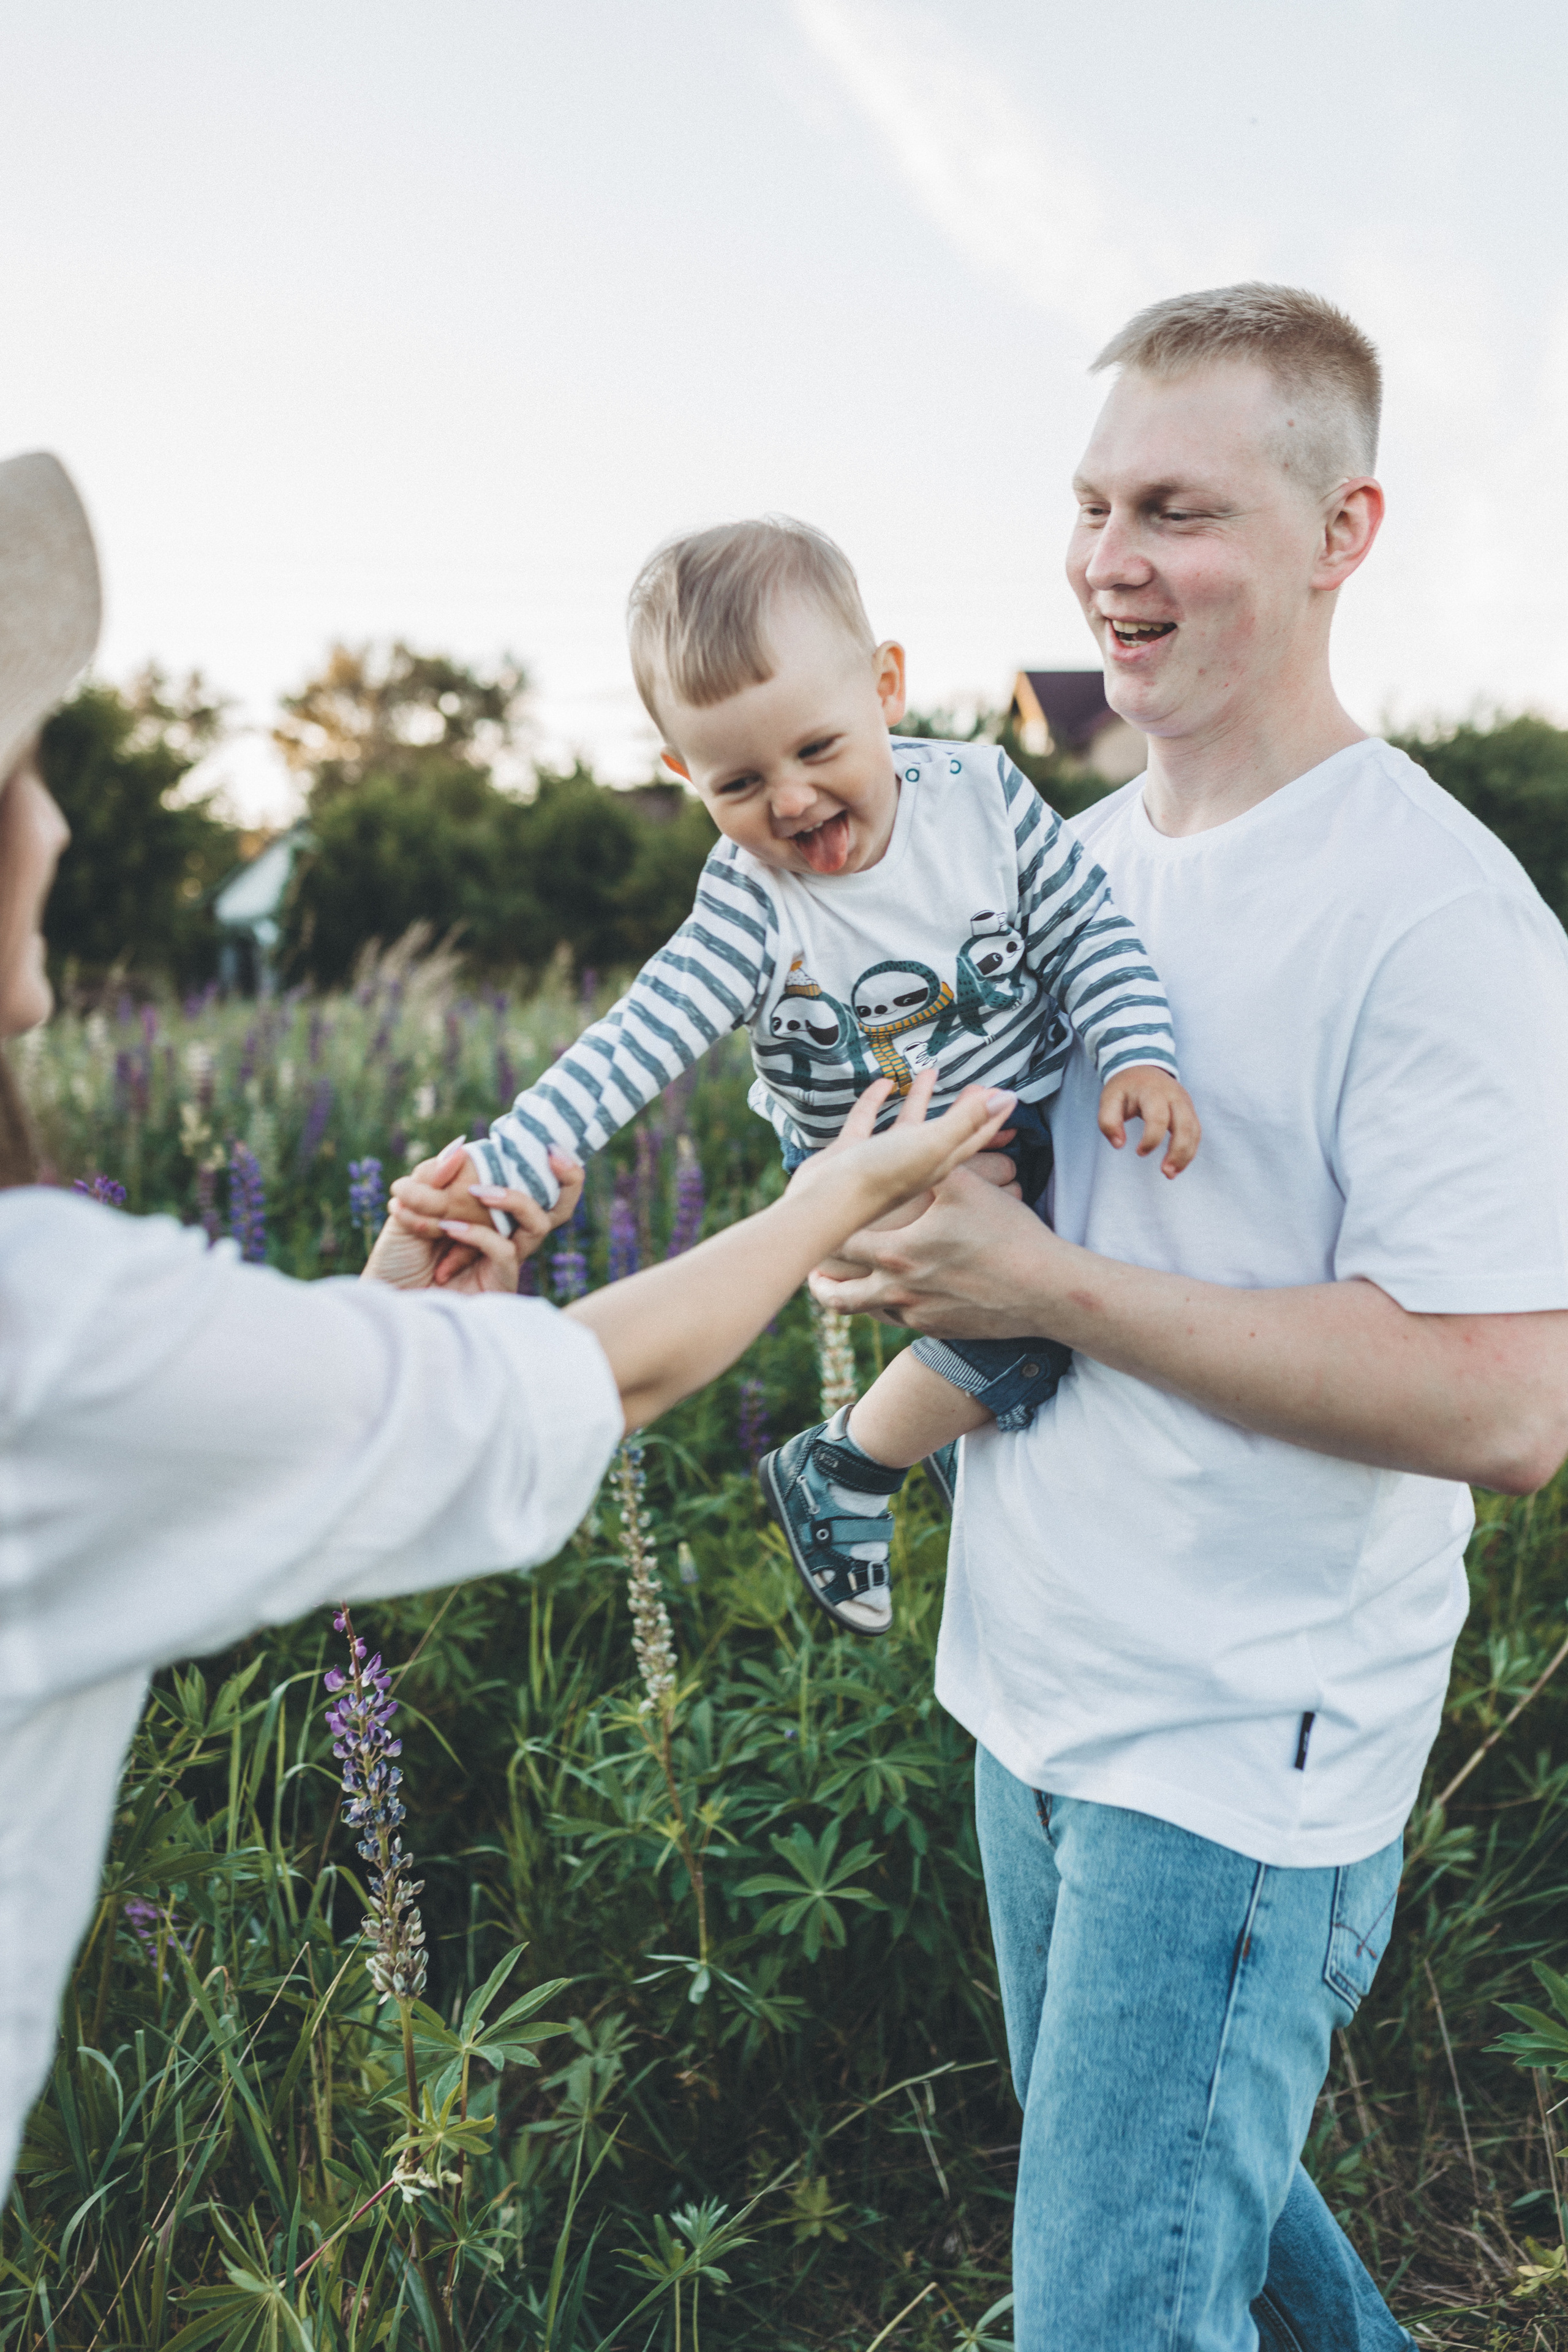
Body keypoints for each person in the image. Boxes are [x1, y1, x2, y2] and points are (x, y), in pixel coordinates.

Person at [0, 453, 1016, 2199]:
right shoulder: (47, 1327)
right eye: (18, 764)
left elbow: (208, 1443)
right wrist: (820, 1203)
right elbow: (592, 1374)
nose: (59, 822)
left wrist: (388, 1310)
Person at [810, 284, 1568, 2350]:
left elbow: (1509, 1402)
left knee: (1106, 2316)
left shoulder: (1439, 916)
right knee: (1194, 2229)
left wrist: (1045, 1280)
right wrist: (907, 1199)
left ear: (1345, 534)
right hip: (1029, 1695)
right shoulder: (1060, 867)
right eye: (1090, 506)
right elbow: (1019, 1229)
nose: (1111, 567)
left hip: (1236, 1754)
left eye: (1179, 511)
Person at [391, 518, 1199, 1637]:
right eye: (738, 781)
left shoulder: (980, 798)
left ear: (886, 687)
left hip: (1025, 1103)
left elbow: (1087, 932)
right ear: (683, 776)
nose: (791, 801)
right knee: (1025, 1312)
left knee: (1076, 1305)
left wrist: (1140, 1047)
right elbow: (638, 1040)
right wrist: (502, 1167)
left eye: (820, 749)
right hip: (866, 1157)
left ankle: (961, 1488)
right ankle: (847, 1466)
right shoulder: (751, 902)